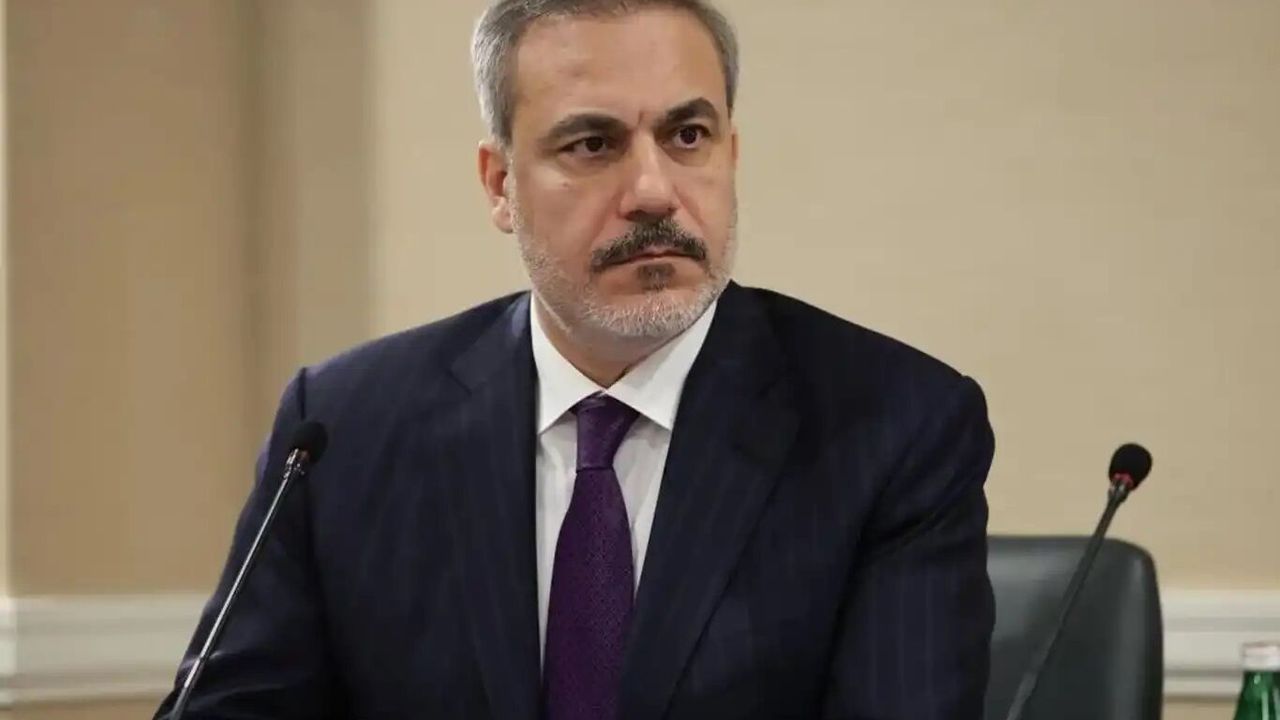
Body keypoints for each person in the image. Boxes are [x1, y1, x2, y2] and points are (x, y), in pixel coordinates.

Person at [155, 1, 995, 718]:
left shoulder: (892, 425)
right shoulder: (345, 427)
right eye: (593, 145)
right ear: (500, 185)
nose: (654, 191)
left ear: (731, 154)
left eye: (688, 135)